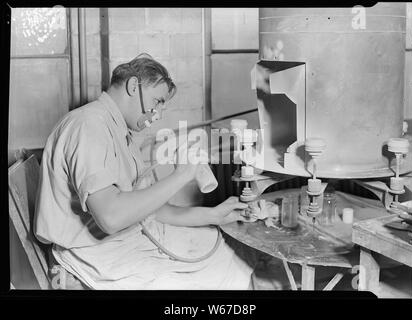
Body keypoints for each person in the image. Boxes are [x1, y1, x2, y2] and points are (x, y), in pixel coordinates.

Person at [34, 53, 257, 290]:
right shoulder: (88, 125)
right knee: (220, 272)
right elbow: (111, 218)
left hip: (122, 243)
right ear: (133, 86)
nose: (158, 113)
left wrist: (213, 215)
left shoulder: (119, 132)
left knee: (229, 250)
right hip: (95, 256)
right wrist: (181, 175)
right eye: (158, 101)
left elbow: (150, 210)